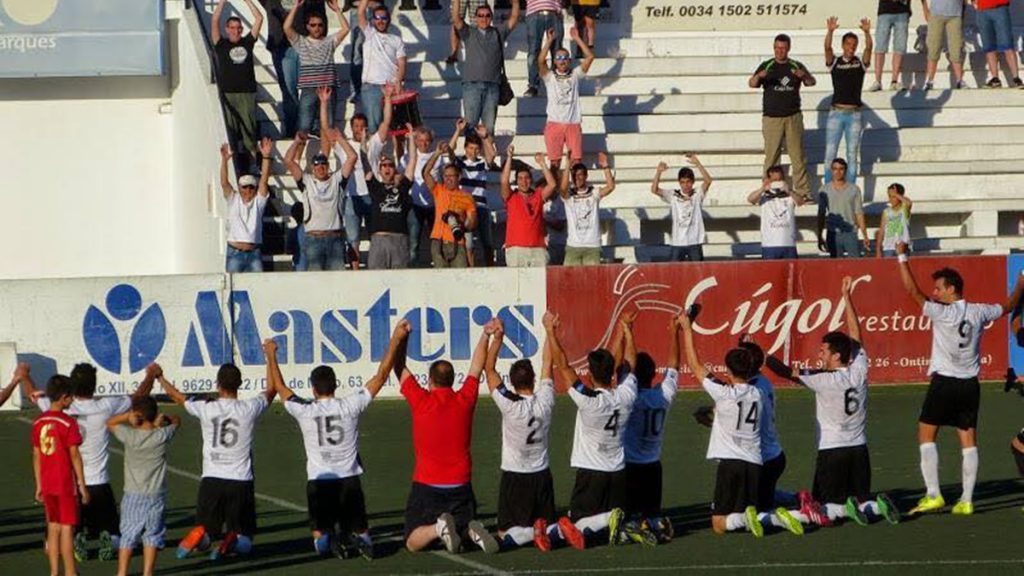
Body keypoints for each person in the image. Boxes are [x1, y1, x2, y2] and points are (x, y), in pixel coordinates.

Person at [896, 246, 1024, 515]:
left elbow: (912, 291)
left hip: (944, 383)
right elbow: (1010, 305)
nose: (935, 292)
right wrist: (1022, 282)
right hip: (969, 385)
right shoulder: (979, 312)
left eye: (939, 288)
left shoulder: (943, 313)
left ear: (952, 289)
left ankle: (933, 494)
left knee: (926, 433)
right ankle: (966, 500)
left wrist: (902, 257)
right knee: (968, 440)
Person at [766, 277, 901, 527]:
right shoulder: (860, 369)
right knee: (862, 500)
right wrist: (847, 297)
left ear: (837, 355)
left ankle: (843, 509)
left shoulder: (823, 379)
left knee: (821, 509)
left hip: (832, 450)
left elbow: (785, 372)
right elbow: (856, 335)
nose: (820, 354)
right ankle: (875, 506)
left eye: (824, 351)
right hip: (859, 449)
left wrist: (758, 354)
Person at [271, 322, 407, 559]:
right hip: (349, 480)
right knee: (362, 530)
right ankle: (358, 538)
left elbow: (280, 387)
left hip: (319, 481)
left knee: (319, 541)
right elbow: (382, 375)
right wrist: (396, 339)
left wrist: (271, 355)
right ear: (336, 385)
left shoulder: (305, 410)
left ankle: (330, 539)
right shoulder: (349, 405)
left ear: (313, 389)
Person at [20, 362, 156, 562]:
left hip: (68, 484)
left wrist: (24, 375)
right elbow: (139, 397)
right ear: (94, 385)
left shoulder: (57, 405)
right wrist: (151, 376)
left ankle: (74, 538)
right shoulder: (106, 406)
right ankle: (109, 537)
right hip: (98, 483)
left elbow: (33, 394)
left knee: (56, 536)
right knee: (116, 536)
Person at [545, 311, 655, 547]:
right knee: (600, 534)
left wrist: (549, 331)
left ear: (590, 374)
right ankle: (623, 523)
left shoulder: (588, 399)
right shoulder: (626, 394)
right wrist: (626, 331)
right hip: (617, 472)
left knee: (576, 525)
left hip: (591, 472)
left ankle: (609, 518)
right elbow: (630, 364)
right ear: (611, 373)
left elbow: (562, 364)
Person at [162, 350, 278, 559]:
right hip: (240, 480)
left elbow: (177, 397)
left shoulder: (206, 407)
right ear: (240, 384)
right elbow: (271, 390)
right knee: (246, 539)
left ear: (217, 384)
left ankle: (202, 536)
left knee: (206, 531)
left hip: (211, 479)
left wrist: (159, 377)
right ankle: (232, 542)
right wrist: (270, 356)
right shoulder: (249, 407)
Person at [399, 316, 500, 555]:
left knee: (413, 541)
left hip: (427, 484)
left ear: (430, 380)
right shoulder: (465, 399)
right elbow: (477, 366)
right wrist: (486, 334)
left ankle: (438, 528)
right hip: (461, 484)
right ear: (453, 380)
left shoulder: (421, 400)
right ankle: (470, 531)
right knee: (461, 528)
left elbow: (398, 367)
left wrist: (401, 339)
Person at [677, 309, 777, 537]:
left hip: (731, 465)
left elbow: (695, 365)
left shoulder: (724, 393)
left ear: (729, 371)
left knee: (719, 525)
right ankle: (774, 516)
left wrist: (687, 329)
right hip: (754, 463)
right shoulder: (760, 391)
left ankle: (746, 517)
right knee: (748, 512)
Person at [483, 318, 569, 551]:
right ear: (533, 379)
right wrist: (549, 330)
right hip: (541, 474)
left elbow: (489, 369)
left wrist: (497, 338)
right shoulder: (546, 400)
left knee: (503, 533)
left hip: (515, 476)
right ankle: (555, 529)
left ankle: (534, 532)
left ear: (511, 382)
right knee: (547, 523)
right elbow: (547, 364)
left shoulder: (510, 404)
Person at [739, 335, 830, 528]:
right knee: (763, 492)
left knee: (756, 511)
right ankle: (798, 498)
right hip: (774, 455)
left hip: (763, 459)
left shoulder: (750, 390)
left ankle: (800, 514)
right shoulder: (762, 381)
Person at [282, 89, 360, 271]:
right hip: (313, 238)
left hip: (335, 238)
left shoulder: (337, 180)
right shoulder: (307, 181)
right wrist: (296, 142)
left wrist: (339, 138)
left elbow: (352, 157)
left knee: (338, 282)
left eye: (323, 164)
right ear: (312, 167)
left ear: (328, 165)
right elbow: (288, 161)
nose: (320, 168)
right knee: (316, 282)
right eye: (316, 165)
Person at [107, 394, 180, 576]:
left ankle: (122, 572)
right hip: (156, 494)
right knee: (153, 536)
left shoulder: (130, 435)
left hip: (133, 493)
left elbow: (110, 423)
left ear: (136, 415)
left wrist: (126, 417)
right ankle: (148, 572)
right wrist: (160, 421)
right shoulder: (162, 435)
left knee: (128, 536)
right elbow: (177, 421)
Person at [622, 316, 680, 542]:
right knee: (652, 511)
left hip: (630, 466)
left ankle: (638, 529)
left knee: (626, 516)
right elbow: (674, 366)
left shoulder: (630, 398)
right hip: (653, 465)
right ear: (654, 373)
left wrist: (628, 331)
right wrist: (674, 332)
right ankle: (655, 524)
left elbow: (628, 368)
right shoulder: (663, 396)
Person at [31, 375, 89, 576]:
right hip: (65, 483)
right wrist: (82, 484)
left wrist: (39, 484)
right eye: (70, 397)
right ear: (64, 397)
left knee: (52, 528)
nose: (72, 400)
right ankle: (71, 572)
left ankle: (54, 572)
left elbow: (37, 455)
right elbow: (74, 455)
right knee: (67, 530)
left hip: (47, 483)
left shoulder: (39, 421)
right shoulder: (67, 423)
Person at [749, 34, 815, 201]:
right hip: (772, 118)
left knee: (797, 156)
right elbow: (751, 83)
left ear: (788, 49)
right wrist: (759, 76)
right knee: (771, 156)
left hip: (793, 116)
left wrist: (803, 76)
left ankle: (803, 193)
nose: (780, 51)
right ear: (773, 48)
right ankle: (768, 190)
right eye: (777, 48)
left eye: (783, 48)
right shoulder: (767, 65)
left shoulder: (795, 65)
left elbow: (811, 82)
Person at [452, 0, 520, 137]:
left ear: (491, 17)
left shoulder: (498, 32)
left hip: (493, 87)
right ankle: (470, 158)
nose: (484, 18)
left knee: (489, 128)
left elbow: (514, 19)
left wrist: (516, 3)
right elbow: (456, 19)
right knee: (470, 126)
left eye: (487, 15)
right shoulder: (469, 32)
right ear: (476, 18)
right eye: (481, 16)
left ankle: (488, 158)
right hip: (471, 86)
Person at [260, 0, 327, 137]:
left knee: (311, 88)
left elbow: (319, 12)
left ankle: (312, 126)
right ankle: (293, 129)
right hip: (281, 47)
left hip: (305, 44)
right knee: (289, 91)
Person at [284, 0, 350, 138]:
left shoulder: (330, 41)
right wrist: (295, 7)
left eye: (320, 25)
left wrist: (337, 10)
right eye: (313, 25)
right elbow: (287, 28)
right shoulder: (301, 42)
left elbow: (345, 29)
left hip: (328, 89)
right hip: (309, 89)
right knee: (303, 127)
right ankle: (296, 158)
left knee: (329, 127)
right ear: (307, 26)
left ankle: (326, 158)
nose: (317, 28)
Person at [212, 0, 264, 172]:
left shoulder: (247, 42)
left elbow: (259, 18)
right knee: (232, 131)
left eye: (239, 28)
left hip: (246, 92)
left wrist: (247, 1)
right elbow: (214, 21)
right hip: (228, 93)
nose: (236, 31)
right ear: (227, 29)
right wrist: (222, 2)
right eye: (232, 28)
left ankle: (255, 164)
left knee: (249, 129)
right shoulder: (221, 44)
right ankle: (236, 166)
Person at [365, 101, 417, 270]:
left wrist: (411, 139)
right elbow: (365, 163)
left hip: (399, 239)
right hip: (379, 239)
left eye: (390, 165)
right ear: (379, 170)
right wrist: (362, 143)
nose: (387, 168)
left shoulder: (401, 187)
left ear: (394, 169)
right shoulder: (375, 187)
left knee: (400, 282)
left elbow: (412, 164)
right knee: (374, 280)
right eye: (384, 166)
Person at [824, 17, 872, 185]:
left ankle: (850, 189)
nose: (851, 48)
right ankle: (829, 190)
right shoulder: (835, 62)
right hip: (836, 113)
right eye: (848, 44)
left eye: (854, 45)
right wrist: (830, 31)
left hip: (854, 114)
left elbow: (869, 49)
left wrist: (867, 33)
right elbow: (827, 48)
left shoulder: (859, 63)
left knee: (852, 154)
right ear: (843, 45)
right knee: (830, 153)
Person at [540, 27, 594, 167]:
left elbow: (590, 57)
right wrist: (549, 41)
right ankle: (556, 189)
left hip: (573, 123)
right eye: (558, 58)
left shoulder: (575, 75)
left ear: (569, 61)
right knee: (555, 163)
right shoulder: (549, 77)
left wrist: (577, 39)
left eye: (565, 58)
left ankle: (574, 189)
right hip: (554, 123)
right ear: (555, 61)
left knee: (576, 161)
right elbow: (540, 61)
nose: (562, 61)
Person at [448, 119, 498, 266]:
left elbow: (492, 155)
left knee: (487, 243)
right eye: (470, 148)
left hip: (481, 207)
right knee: (468, 245)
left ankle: (490, 269)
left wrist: (484, 137)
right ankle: (471, 272)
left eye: (476, 149)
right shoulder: (460, 163)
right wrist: (458, 131)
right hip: (464, 208)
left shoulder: (482, 162)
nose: (473, 152)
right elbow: (449, 151)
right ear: (465, 148)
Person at [219, 138, 273, 273]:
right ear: (239, 188)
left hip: (254, 253)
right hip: (235, 252)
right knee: (231, 289)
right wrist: (224, 161)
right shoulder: (233, 199)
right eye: (244, 187)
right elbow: (224, 183)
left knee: (257, 289)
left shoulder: (258, 203)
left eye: (251, 187)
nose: (247, 190)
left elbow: (264, 181)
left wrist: (266, 157)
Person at [500, 145, 557, 267]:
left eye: (526, 178)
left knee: (539, 285)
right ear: (516, 181)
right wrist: (509, 157)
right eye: (520, 178)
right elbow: (504, 181)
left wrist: (542, 164)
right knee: (517, 286)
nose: (523, 181)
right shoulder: (511, 196)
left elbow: (552, 185)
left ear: (531, 180)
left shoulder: (538, 195)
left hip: (538, 249)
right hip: (516, 249)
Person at [423, 142, 478, 268]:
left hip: (458, 241)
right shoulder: (439, 190)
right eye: (446, 176)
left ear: (459, 177)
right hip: (439, 240)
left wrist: (462, 220)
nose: (448, 179)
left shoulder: (467, 197)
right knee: (441, 280)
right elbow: (426, 173)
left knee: (460, 278)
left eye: (451, 176)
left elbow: (472, 224)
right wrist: (437, 153)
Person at [357, 0, 407, 133]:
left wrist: (398, 82)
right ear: (372, 20)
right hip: (371, 87)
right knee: (374, 128)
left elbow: (402, 64)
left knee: (396, 129)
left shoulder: (397, 40)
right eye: (377, 18)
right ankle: (377, 155)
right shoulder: (369, 34)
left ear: (389, 20)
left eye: (384, 18)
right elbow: (360, 12)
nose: (380, 21)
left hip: (391, 88)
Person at [651, 154, 713, 262]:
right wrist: (658, 172)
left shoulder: (697, 193)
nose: (686, 185)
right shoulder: (673, 194)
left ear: (693, 182)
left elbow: (708, 181)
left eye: (688, 182)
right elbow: (654, 189)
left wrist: (698, 164)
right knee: (674, 273)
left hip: (694, 241)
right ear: (679, 182)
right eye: (683, 182)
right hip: (678, 242)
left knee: (698, 272)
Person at [560, 151, 615, 266]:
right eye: (574, 175)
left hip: (592, 246)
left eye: (580, 175)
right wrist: (567, 166)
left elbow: (610, 187)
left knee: (592, 281)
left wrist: (605, 165)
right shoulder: (569, 195)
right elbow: (563, 189)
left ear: (586, 176)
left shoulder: (594, 193)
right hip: (573, 246)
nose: (577, 178)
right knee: (569, 280)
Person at [747, 165, 807, 260]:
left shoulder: (790, 196)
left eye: (779, 180)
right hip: (770, 245)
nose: (777, 183)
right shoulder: (764, 196)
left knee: (790, 274)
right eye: (774, 180)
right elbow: (750, 199)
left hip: (788, 243)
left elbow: (801, 202)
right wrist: (763, 188)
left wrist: (789, 191)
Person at [402, 125, 441, 266]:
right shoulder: (407, 157)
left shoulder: (438, 157)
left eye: (427, 141)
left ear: (431, 141)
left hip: (434, 205)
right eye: (421, 140)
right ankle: (413, 270)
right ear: (416, 141)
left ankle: (439, 267)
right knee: (413, 242)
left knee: (436, 241)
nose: (424, 144)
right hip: (415, 204)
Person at [816, 158, 869, 258]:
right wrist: (819, 235)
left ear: (845, 170)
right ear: (831, 170)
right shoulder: (824, 189)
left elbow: (859, 213)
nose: (838, 172)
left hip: (850, 233)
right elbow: (821, 214)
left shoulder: (854, 189)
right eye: (835, 169)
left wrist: (865, 235)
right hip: (833, 233)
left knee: (855, 264)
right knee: (836, 267)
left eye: (841, 169)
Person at [920, 0, 966, 91]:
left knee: (956, 48)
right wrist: (925, 9)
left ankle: (959, 80)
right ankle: (930, 81)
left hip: (955, 14)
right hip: (936, 13)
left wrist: (963, 11)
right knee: (933, 48)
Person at [975, 0, 1022, 88]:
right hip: (982, 10)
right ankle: (995, 78)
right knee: (988, 46)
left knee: (1007, 43)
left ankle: (1016, 78)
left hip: (999, 8)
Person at [523, 0, 564, 97]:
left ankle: (557, 83)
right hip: (534, 12)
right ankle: (533, 85)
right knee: (533, 51)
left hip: (554, 12)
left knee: (557, 50)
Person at [871, 0, 911, 91]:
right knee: (880, 46)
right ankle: (877, 81)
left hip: (902, 11)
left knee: (900, 46)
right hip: (885, 10)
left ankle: (894, 81)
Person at [876, 183, 912, 257]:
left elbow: (908, 203)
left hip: (902, 246)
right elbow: (882, 230)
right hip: (888, 247)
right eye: (889, 196)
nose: (890, 200)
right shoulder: (886, 212)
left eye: (893, 197)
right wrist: (878, 249)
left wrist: (896, 194)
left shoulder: (904, 209)